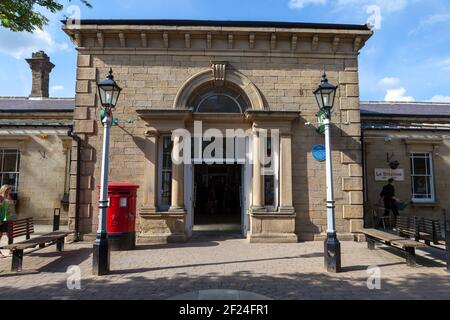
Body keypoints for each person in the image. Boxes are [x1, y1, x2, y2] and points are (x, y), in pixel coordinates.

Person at [0, 185, 14, 258]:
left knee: (10, 235)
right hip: (2, 219)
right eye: (7, 190)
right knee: (0, 235)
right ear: (3, 190)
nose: (9, 191)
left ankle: (11, 250)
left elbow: (12, 209)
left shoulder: (9, 197)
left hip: (9, 219)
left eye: (9, 190)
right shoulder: (0, 198)